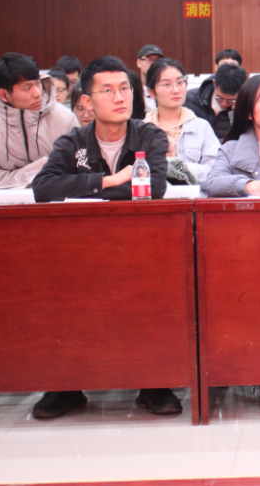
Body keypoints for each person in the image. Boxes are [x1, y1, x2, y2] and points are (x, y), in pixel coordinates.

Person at [30, 56, 179, 419]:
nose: (119, 97)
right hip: (82, 250)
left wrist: (83, 189)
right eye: (108, 90)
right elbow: (44, 188)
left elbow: (153, 187)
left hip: (142, 247)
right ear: (87, 100)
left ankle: (154, 383)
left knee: (157, 290)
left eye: (125, 88)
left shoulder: (150, 136)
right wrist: (108, 181)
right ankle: (66, 387)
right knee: (59, 292)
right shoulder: (73, 142)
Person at [0, 53, 79, 189]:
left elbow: (78, 170)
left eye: (38, 83)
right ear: (4, 95)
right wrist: (41, 170)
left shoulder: (65, 118)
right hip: (6, 200)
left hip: (57, 197)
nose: (37, 93)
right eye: (27, 88)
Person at [144, 58, 220, 185]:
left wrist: (178, 167)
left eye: (180, 82)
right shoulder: (142, 130)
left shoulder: (201, 127)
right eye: (166, 84)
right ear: (151, 92)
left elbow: (217, 173)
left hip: (194, 196)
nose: (176, 90)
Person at [185, 62, 247, 142]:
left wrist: (235, 112)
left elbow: (242, 139)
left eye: (231, 100)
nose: (224, 103)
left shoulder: (245, 106)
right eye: (219, 98)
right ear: (214, 83)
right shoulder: (189, 99)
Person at [136, 45, 164, 113]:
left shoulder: (167, 90)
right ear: (138, 63)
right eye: (148, 59)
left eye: (157, 60)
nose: (153, 64)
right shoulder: (134, 92)